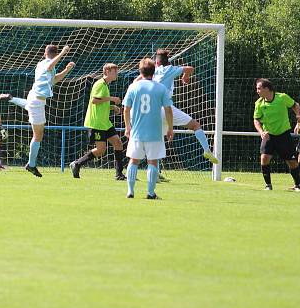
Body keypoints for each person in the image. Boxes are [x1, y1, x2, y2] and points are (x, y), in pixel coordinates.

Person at [0, 44, 75, 177]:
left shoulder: (42, 64)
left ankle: (11, 98)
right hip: (37, 101)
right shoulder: (47, 64)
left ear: (45, 53)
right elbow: (50, 66)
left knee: (30, 107)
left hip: (34, 98)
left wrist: (67, 70)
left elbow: (54, 80)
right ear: (55, 55)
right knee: (38, 136)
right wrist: (63, 53)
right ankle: (31, 165)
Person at [152, 49, 219, 165]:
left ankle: (155, 172)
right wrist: (185, 76)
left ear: (156, 62)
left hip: (153, 110)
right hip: (166, 108)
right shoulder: (170, 69)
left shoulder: (151, 71)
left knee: (157, 140)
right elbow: (190, 68)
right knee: (195, 125)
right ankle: (207, 150)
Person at [122, 58, 173, 199]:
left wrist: (127, 127)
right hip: (155, 132)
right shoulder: (161, 88)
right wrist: (170, 128)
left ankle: (130, 191)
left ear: (140, 71)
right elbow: (168, 110)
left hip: (137, 132)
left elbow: (126, 109)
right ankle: (150, 193)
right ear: (154, 71)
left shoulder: (133, 87)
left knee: (133, 160)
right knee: (153, 161)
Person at [69, 63, 125, 180]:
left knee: (118, 143)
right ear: (107, 72)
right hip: (97, 123)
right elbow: (94, 100)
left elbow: (100, 103)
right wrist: (112, 99)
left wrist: (112, 107)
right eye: (115, 72)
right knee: (100, 150)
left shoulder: (105, 85)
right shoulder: (100, 84)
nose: (116, 74)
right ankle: (77, 164)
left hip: (105, 122)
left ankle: (119, 174)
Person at [253, 78, 300, 191]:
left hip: (283, 135)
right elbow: (256, 120)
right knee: (264, 158)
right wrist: (262, 132)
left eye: (259, 88)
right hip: (269, 135)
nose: (257, 91)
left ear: (267, 88)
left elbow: (295, 105)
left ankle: (298, 185)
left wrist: (298, 116)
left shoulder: (282, 97)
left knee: (291, 162)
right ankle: (268, 185)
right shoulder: (259, 103)